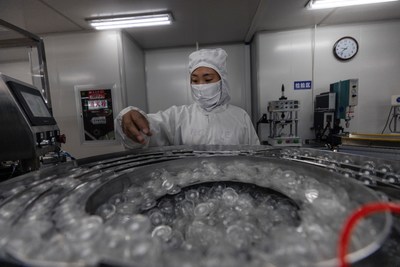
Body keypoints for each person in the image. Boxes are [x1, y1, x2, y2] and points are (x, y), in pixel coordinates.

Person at [114, 48, 260, 149]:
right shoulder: (179, 116)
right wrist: (130, 119)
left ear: (222, 81)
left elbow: (255, 157)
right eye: (195, 80)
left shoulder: (240, 117)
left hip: (233, 187)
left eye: (208, 80)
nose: (201, 86)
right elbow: (150, 130)